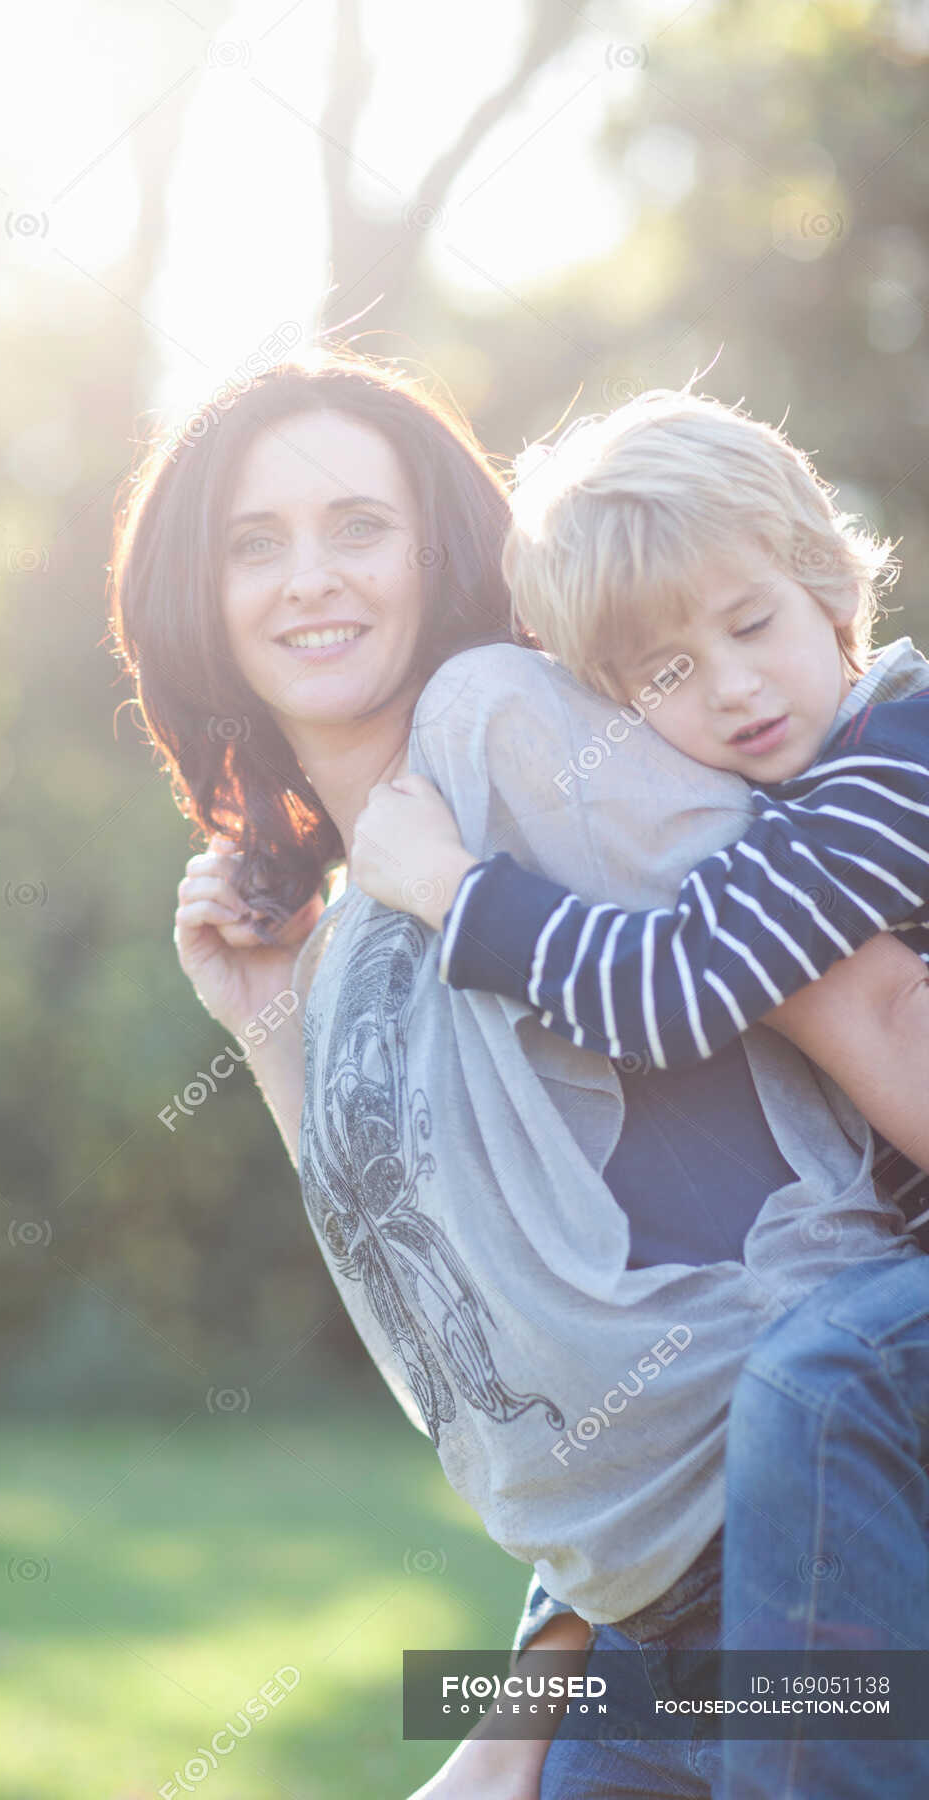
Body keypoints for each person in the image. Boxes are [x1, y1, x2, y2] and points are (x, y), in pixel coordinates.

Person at [108, 349, 927, 1799]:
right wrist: (264, 1023)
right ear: (196, 595)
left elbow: (855, 993)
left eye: (359, 525)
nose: (311, 578)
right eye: (257, 542)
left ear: (439, 547)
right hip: (644, 1621)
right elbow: (458, 1306)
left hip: (816, 1522)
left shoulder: (507, 723)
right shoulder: (366, 911)